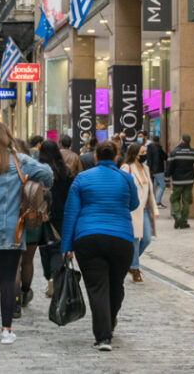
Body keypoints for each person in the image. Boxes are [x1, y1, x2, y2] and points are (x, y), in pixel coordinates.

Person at [0, 122, 52, 344]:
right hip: (11, 228)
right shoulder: (19, 161)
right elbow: (47, 174)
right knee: (8, 278)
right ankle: (6, 330)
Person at [61, 140, 140, 351]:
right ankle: (110, 321)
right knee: (116, 285)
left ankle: (103, 337)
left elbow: (71, 213)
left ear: (95, 156)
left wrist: (66, 246)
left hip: (88, 237)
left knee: (97, 288)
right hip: (121, 238)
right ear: (116, 157)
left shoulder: (82, 178)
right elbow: (133, 204)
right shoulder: (126, 178)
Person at [38, 139, 73, 298]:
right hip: (61, 214)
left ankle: (50, 277)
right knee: (58, 247)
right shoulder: (65, 171)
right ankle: (55, 277)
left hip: (42, 214)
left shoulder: (38, 171)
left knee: (45, 247)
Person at [119, 144, 157, 283]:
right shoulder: (126, 168)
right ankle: (135, 268)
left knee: (146, 239)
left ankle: (128, 262)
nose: (145, 154)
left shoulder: (146, 168)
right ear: (135, 154)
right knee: (135, 240)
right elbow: (121, 187)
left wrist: (155, 209)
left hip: (145, 209)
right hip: (132, 209)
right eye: (142, 152)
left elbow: (150, 190)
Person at [165, 134, 194, 229]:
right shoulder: (193, 152)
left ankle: (178, 216)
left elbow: (170, 166)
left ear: (182, 140)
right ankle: (184, 221)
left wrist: (167, 176)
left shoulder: (174, 152)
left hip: (177, 181)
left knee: (174, 199)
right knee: (186, 201)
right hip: (189, 181)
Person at [146, 135, 168, 208]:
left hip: (152, 170)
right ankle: (158, 202)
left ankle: (153, 202)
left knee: (154, 187)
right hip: (159, 170)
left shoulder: (149, 148)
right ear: (158, 141)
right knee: (163, 186)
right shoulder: (158, 148)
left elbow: (149, 160)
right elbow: (165, 157)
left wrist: (151, 171)